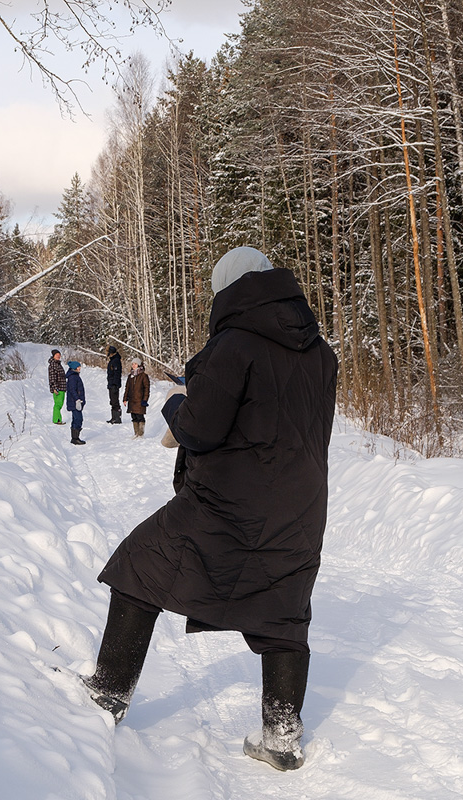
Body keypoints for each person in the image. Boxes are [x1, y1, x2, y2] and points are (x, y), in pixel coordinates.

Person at [84, 246, 337, 771]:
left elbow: (200, 427)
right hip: (303, 503)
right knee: (284, 613)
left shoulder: (235, 343)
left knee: (139, 565)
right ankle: (281, 740)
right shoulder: (321, 353)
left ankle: (106, 695)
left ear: (231, 292)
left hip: (231, 503)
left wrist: (176, 404)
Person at [122, 359, 150, 438]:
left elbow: (146, 389)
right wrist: (125, 398)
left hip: (140, 400)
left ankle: (141, 434)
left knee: (139, 416)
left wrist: (145, 399)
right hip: (131, 400)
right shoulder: (130, 376)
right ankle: (136, 433)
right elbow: (127, 388)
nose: (133, 365)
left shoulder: (143, 376)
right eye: (132, 364)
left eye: (135, 364)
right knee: (133, 416)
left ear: (139, 365)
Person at [65, 360, 87, 445]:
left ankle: (74, 437)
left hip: (75, 401)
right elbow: (72, 390)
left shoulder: (75, 376)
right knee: (78, 419)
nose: (79, 368)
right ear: (74, 368)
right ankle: (75, 438)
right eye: (78, 367)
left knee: (75, 418)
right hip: (75, 402)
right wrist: (77, 399)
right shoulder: (73, 377)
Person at [48, 349, 67, 425]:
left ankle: (58, 419)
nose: (58, 356)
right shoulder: (53, 365)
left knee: (59, 404)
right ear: (53, 356)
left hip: (62, 387)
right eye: (57, 355)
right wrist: (54, 388)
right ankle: (56, 420)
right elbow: (52, 377)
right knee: (58, 404)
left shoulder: (58, 364)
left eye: (59, 354)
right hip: (58, 388)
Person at [106, 346, 123, 424]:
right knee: (112, 401)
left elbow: (117, 373)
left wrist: (115, 384)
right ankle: (114, 417)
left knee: (115, 401)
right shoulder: (113, 360)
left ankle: (117, 418)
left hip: (114, 384)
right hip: (111, 383)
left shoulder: (116, 361)